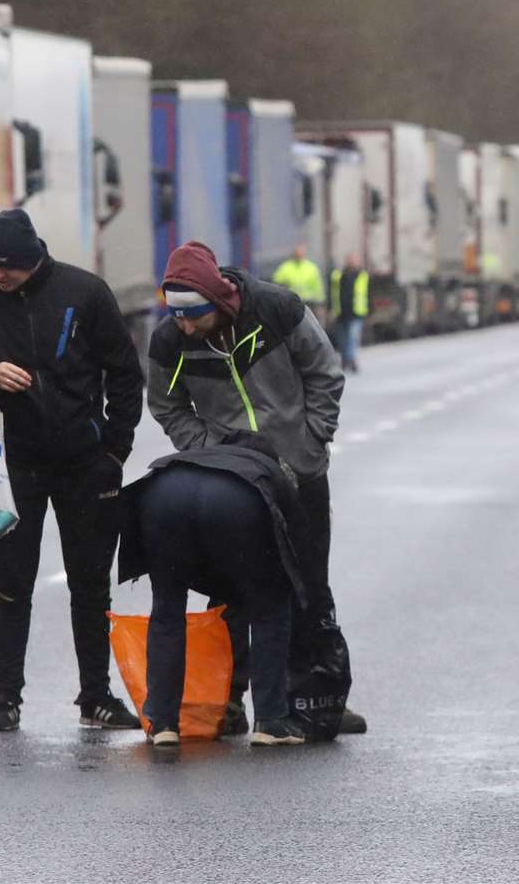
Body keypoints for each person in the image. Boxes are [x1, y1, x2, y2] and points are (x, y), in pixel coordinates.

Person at [145, 240, 366, 735]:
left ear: (218, 302)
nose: (184, 326)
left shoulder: (278, 309)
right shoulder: (170, 342)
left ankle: (314, 697)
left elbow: (325, 372)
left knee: (308, 586)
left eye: (193, 316)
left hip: (299, 475)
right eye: (177, 317)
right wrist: (210, 452)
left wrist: (310, 444)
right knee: (230, 594)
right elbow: (167, 406)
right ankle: (228, 699)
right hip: (236, 485)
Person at [0, 208, 145, 733]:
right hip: (11, 468)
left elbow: (124, 374)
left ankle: (95, 696)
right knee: (9, 585)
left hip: (85, 464)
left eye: (6, 267)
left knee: (90, 584)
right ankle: (5, 697)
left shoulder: (86, 293)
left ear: (33, 260)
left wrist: (115, 452)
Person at [118, 433, 310, 747]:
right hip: (237, 502)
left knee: (167, 611)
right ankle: (271, 720)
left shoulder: (199, 458)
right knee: (270, 608)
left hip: (160, 493)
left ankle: (163, 723)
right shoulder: (269, 470)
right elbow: (293, 558)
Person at [329, 252, 369, 374]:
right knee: (343, 340)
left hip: (356, 312)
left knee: (352, 338)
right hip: (341, 312)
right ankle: (346, 360)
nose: (352, 262)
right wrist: (331, 309)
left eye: (354, 260)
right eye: (350, 259)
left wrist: (369, 310)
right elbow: (332, 293)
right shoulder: (338, 275)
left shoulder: (362, 275)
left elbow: (368, 294)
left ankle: (351, 361)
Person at [272, 242, 326, 317]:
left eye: (301, 252)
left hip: (309, 303)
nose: (299, 254)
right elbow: (276, 282)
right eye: (297, 252)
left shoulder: (311, 268)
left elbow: (317, 287)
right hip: (291, 302)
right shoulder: (286, 267)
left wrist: (320, 303)